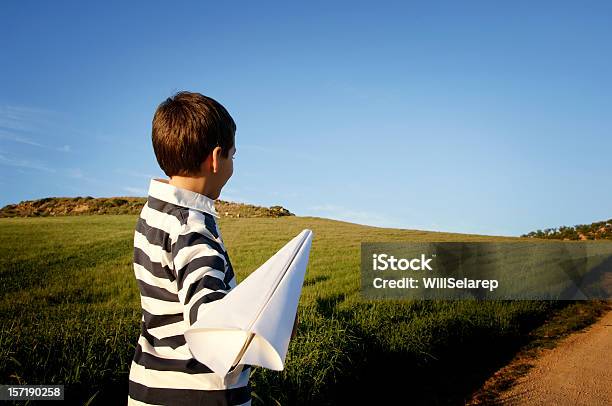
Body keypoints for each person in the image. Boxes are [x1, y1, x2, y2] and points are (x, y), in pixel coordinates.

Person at [127, 91, 298, 406]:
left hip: (149, 387)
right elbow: (214, 335)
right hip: (197, 395)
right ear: (216, 159)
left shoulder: (154, 213)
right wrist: (277, 325)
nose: (233, 165)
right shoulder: (193, 230)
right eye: (234, 155)